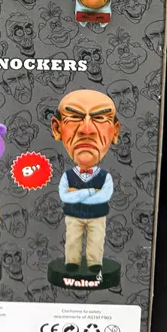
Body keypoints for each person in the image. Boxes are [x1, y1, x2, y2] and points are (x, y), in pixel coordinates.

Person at [51, 89, 120, 274]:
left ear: (115, 131)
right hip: (73, 216)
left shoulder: (104, 176)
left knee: (96, 240)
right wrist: (91, 192)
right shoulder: (68, 175)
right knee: (72, 239)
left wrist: (78, 193)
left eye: (100, 118)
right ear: (57, 129)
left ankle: (94, 263)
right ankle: (72, 262)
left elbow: (104, 196)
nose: (86, 130)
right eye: (74, 117)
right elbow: (65, 196)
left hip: (98, 217)